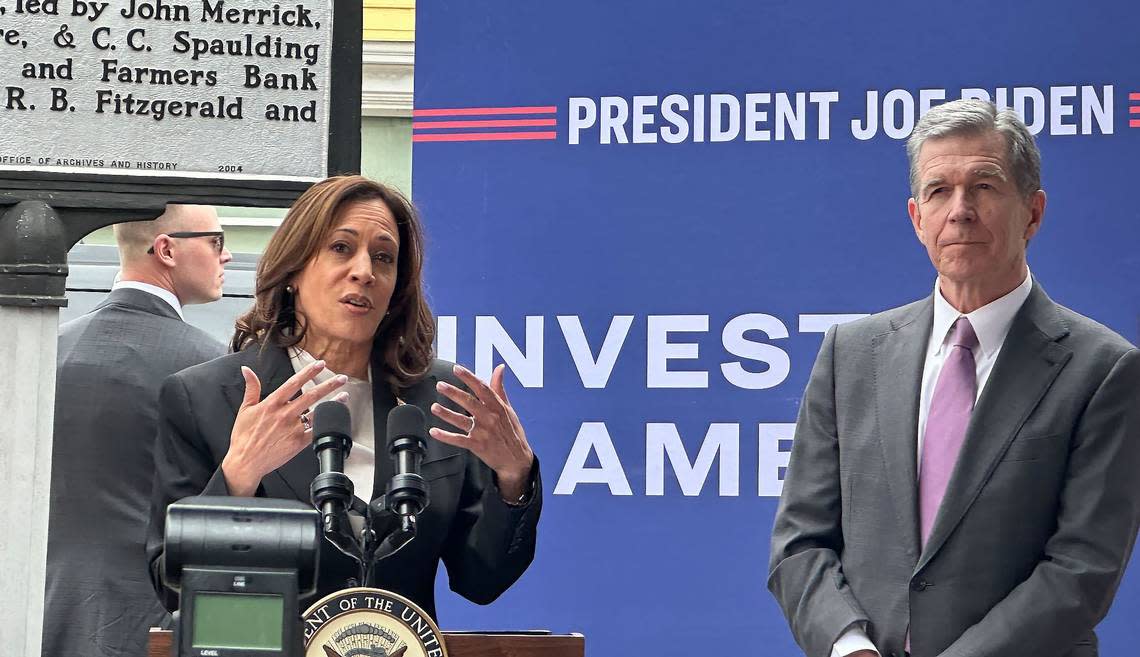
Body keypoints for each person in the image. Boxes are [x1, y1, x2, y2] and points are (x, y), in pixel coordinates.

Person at [768, 98, 1140, 657]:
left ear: (1033, 213)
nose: (959, 210)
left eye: (984, 187)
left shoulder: (1104, 369)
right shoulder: (850, 354)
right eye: (939, 191)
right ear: (918, 219)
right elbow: (800, 542)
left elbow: (1081, 570)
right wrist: (849, 646)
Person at [145, 175, 542, 621]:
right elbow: (173, 586)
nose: (364, 271)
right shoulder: (205, 397)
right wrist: (238, 476)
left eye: (383, 257)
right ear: (294, 268)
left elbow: (481, 582)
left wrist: (513, 480)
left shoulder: (442, 399)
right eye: (340, 248)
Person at [45, 205, 231, 657]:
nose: (225, 258)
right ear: (166, 250)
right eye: (216, 242)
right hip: (153, 624)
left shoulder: (47, 351)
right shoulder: (210, 369)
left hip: (42, 614)